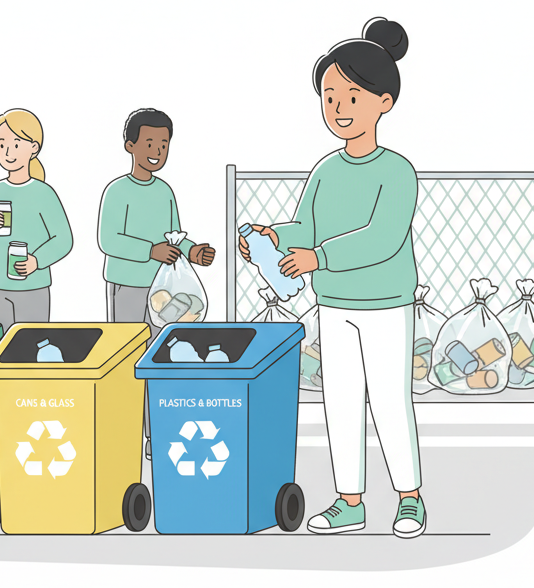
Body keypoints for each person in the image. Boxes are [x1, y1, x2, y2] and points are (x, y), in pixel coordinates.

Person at [239, 18, 426, 538]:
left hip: (385, 304)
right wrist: (274, 235)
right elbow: (307, 225)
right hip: (335, 304)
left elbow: (381, 238)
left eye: (352, 94)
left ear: (384, 101)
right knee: (340, 403)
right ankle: (350, 501)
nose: (339, 107)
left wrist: (316, 258)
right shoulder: (325, 169)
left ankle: (409, 498)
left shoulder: (397, 171)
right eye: (329, 95)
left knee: (389, 401)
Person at [97, 108, 215, 460]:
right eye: (149, 142)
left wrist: (193, 251)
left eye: (163, 144)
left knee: (161, 361)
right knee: (128, 362)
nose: (157, 150)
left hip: (165, 294)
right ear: (130, 145)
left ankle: (156, 435)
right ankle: (125, 435)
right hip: (128, 287)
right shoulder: (118, 191)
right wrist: (150, 251)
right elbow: (108, 239)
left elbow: (174, 237)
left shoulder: (165, 192)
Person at [0, 109, 73, 327]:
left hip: (34, 288)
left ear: (34, 148)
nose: (7, 152)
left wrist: (37, 261)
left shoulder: (44, 193)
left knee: (32, 349)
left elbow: (64, 240)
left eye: (15, 144)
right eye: (1, 145)